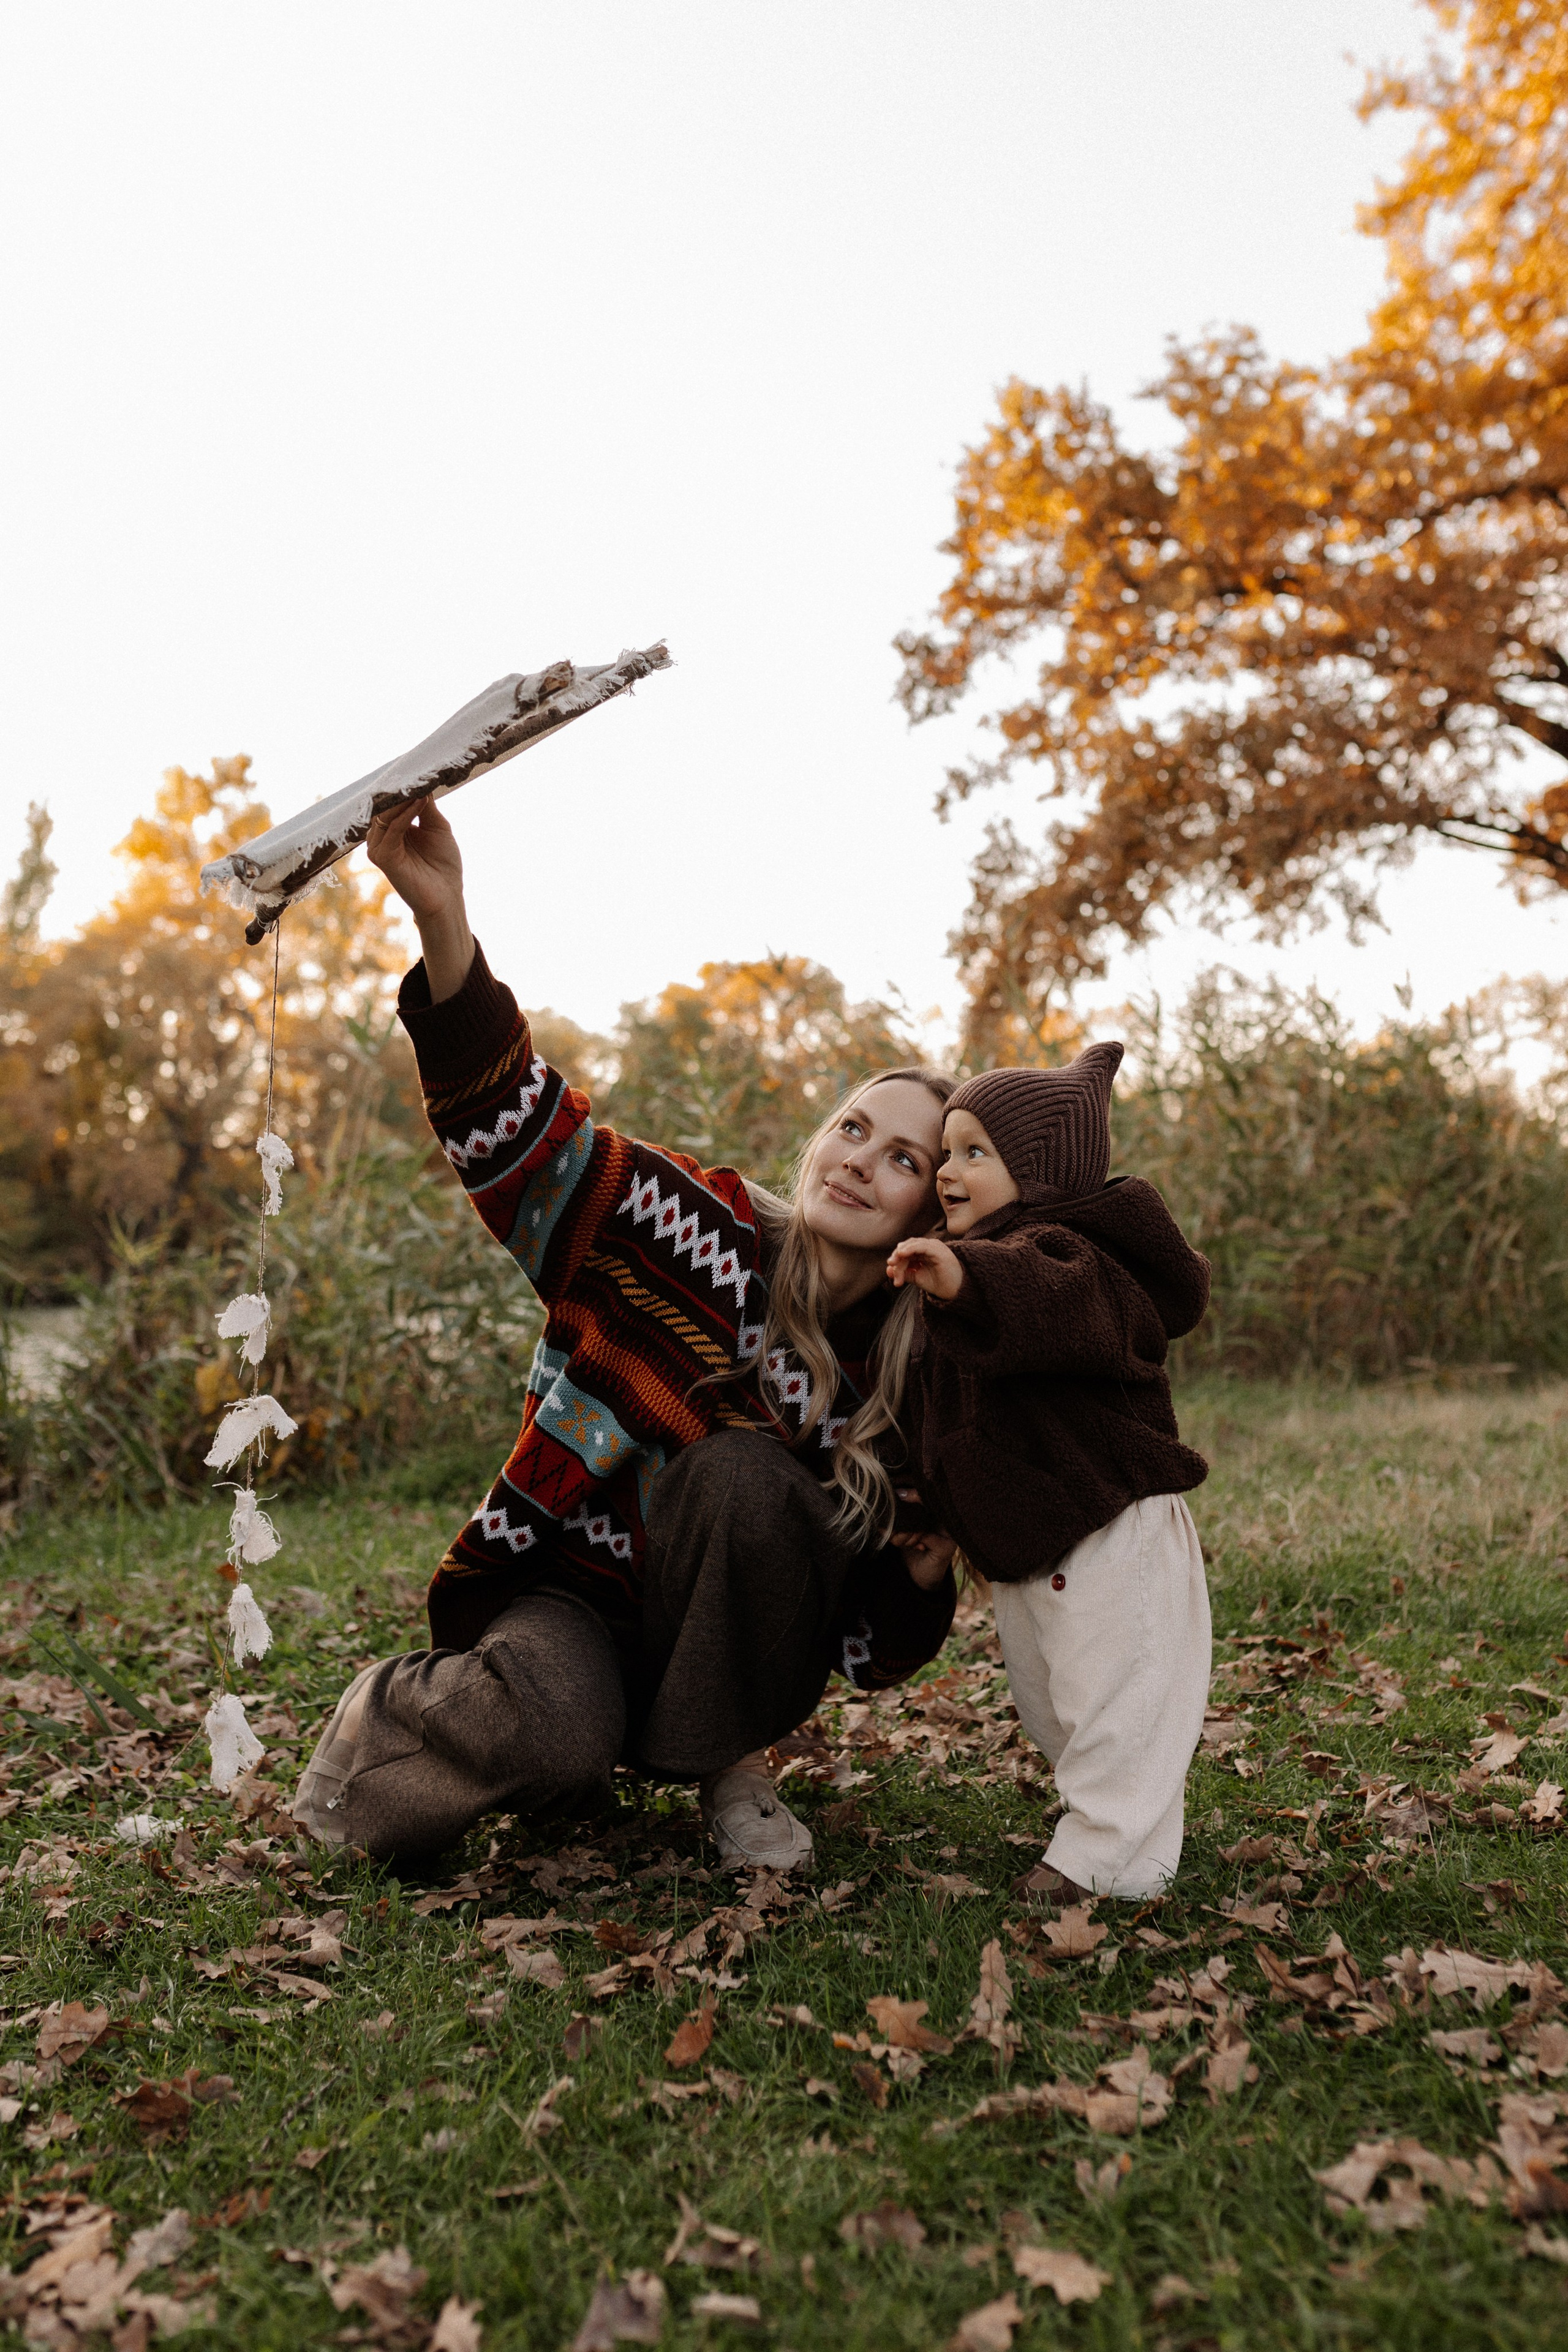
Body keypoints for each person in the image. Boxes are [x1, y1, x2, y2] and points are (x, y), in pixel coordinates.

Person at [293, 794, 959, 1871]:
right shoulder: (698, 1228)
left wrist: (922, 1577)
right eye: (852, 1127)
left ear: (931, 1207)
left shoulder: (904, 1379)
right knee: (549, 1749)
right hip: (572, 1599)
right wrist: (445, 925)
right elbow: (529, 1147)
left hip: (730, 1662)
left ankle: (730, 1764)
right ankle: (388, 1719)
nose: (857, 1161)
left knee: (746, 1475)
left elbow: (866, 1646)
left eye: (903, 1159)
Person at [887, 1044, 1212, 1901]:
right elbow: (949, 1414)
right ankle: (1130, 1840)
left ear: (1039, 1173)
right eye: (947, 1151)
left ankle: (1102, 1854)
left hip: (1111, 1525)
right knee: (1053, 1700)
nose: (948, 1171)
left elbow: (1051, 1299)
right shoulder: (963, 1266)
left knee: (1119, 1689)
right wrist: (930, 1503)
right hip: (1033, 1534)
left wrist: (967, 1278)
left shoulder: (1079, 1259)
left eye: (974, 1153)